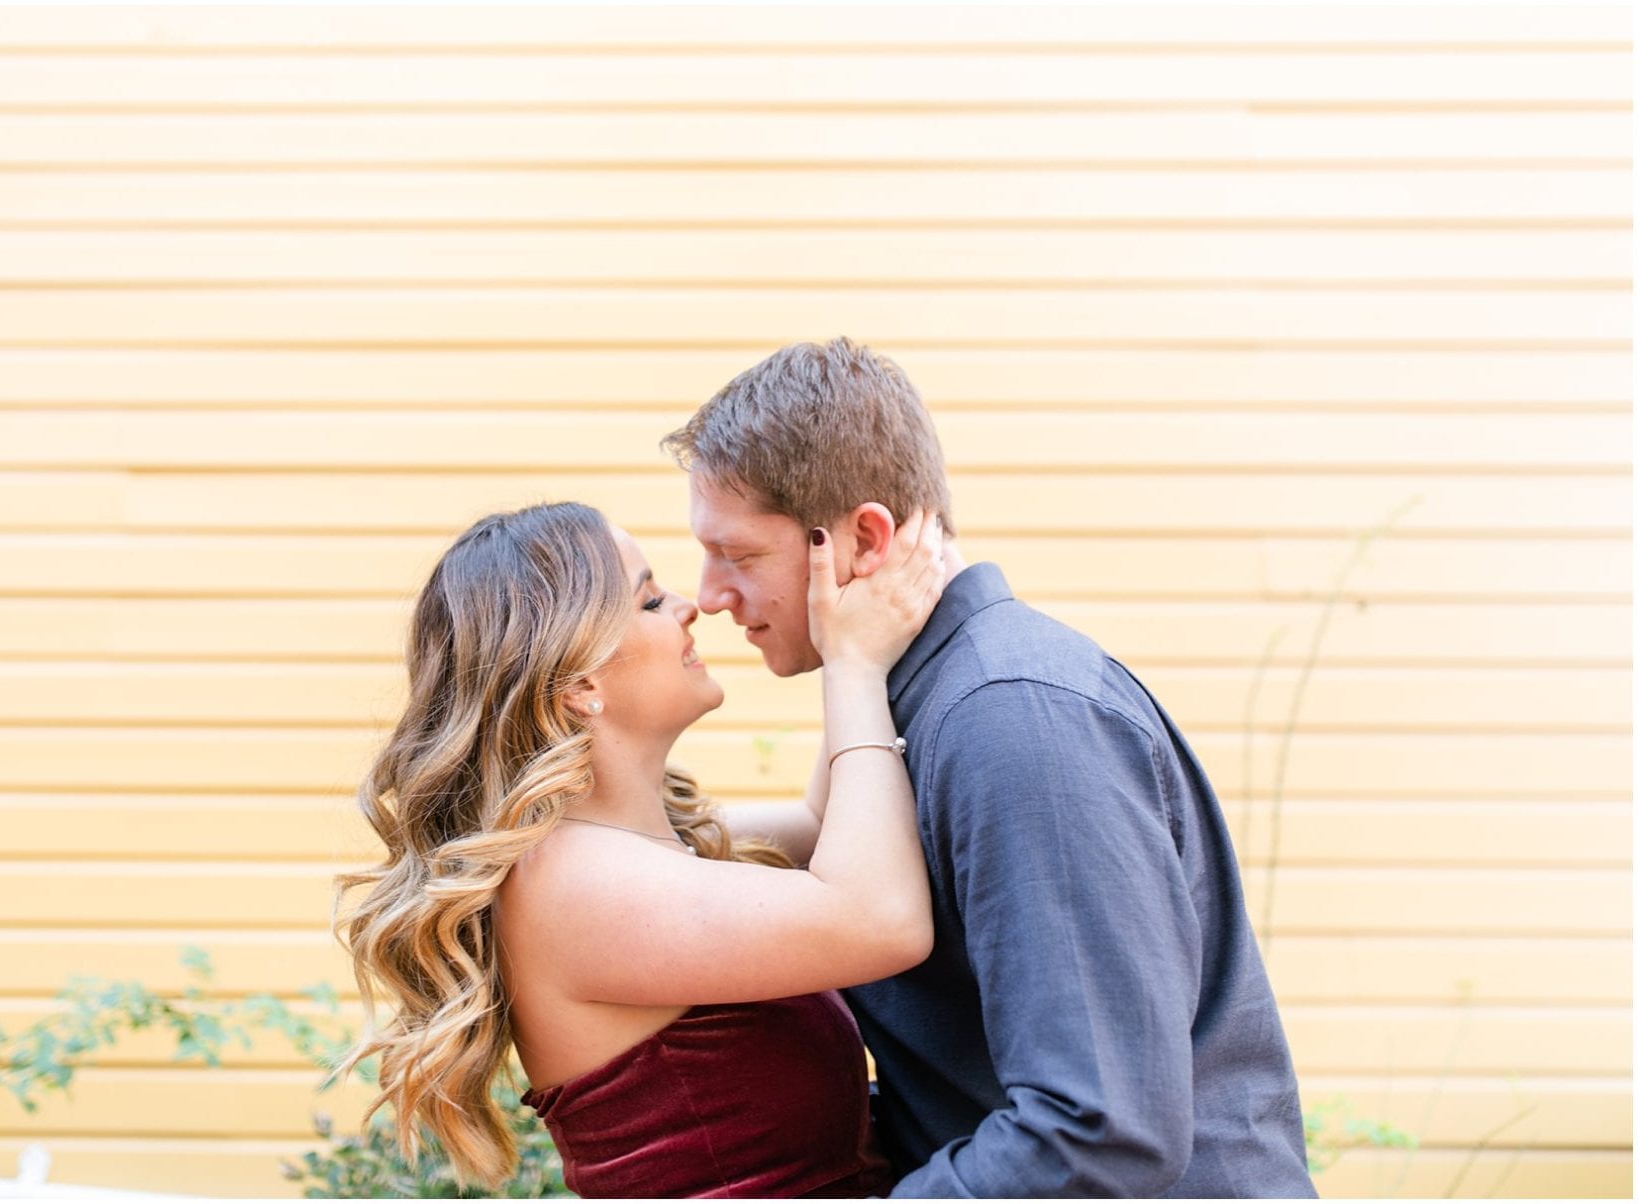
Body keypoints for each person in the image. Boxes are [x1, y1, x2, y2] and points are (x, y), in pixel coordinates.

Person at [663, 337, 1320, 1198]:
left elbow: (1096, 1131)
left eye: (741, 556)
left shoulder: (1012, 720)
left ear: (865, 538)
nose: (709, 596)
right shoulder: (917, 697)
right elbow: (822, 846)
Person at [332, 499, 948, 1198]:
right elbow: (882, 919)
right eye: (650, 600)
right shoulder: (571, 886)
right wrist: (855, 665)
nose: (689, 606)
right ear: (579, 683)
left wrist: (852, 611)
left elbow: (825, 817)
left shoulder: (632, 853)